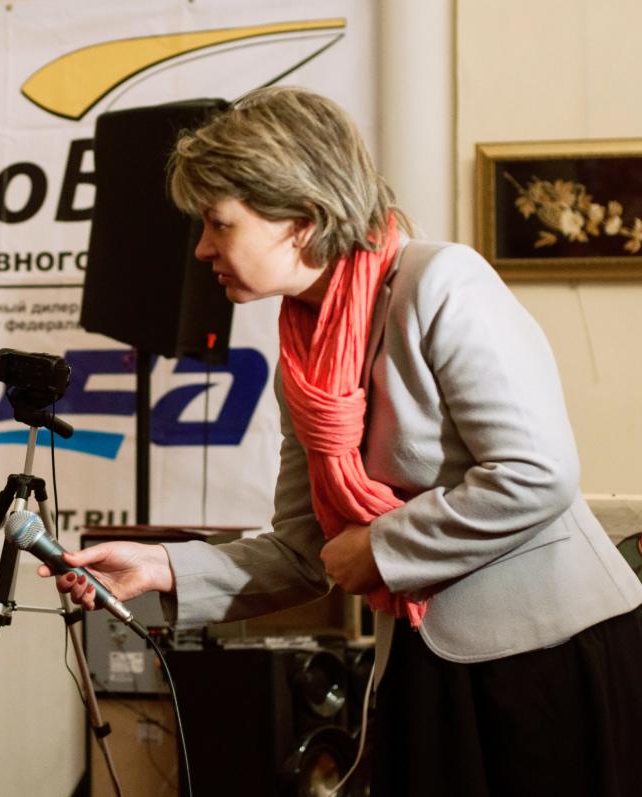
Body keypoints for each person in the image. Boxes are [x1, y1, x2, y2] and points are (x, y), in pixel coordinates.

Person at [44, 87, 642, 796]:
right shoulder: (302, 357)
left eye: (218, 223)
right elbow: (307, 554)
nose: (202, 248)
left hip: (549, 661)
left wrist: (381, 547)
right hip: (423, 661)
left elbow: (536, 473)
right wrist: (163, 567)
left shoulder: (443, 282)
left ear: (302, 220)